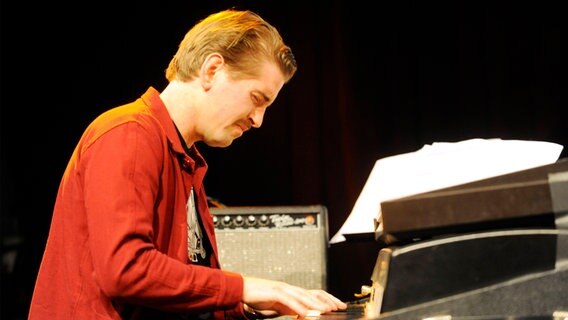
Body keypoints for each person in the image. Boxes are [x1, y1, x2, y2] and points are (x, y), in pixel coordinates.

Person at [28, 8, 347, 320]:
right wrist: (243, 287)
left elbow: (176, 285)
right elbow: (126, 270)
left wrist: (245, 305)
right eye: (256, 98)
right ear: (212, 69)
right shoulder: (129, 133)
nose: (258, 119)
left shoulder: (185, 160)